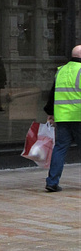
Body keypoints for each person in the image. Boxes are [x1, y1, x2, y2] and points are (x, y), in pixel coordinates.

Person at [44, 44, 81, 192]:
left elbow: (52, 93)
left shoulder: (61, 70)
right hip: (78, 116)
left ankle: (52, 182)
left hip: (63, 117)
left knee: (59, 148)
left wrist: (50, 112)